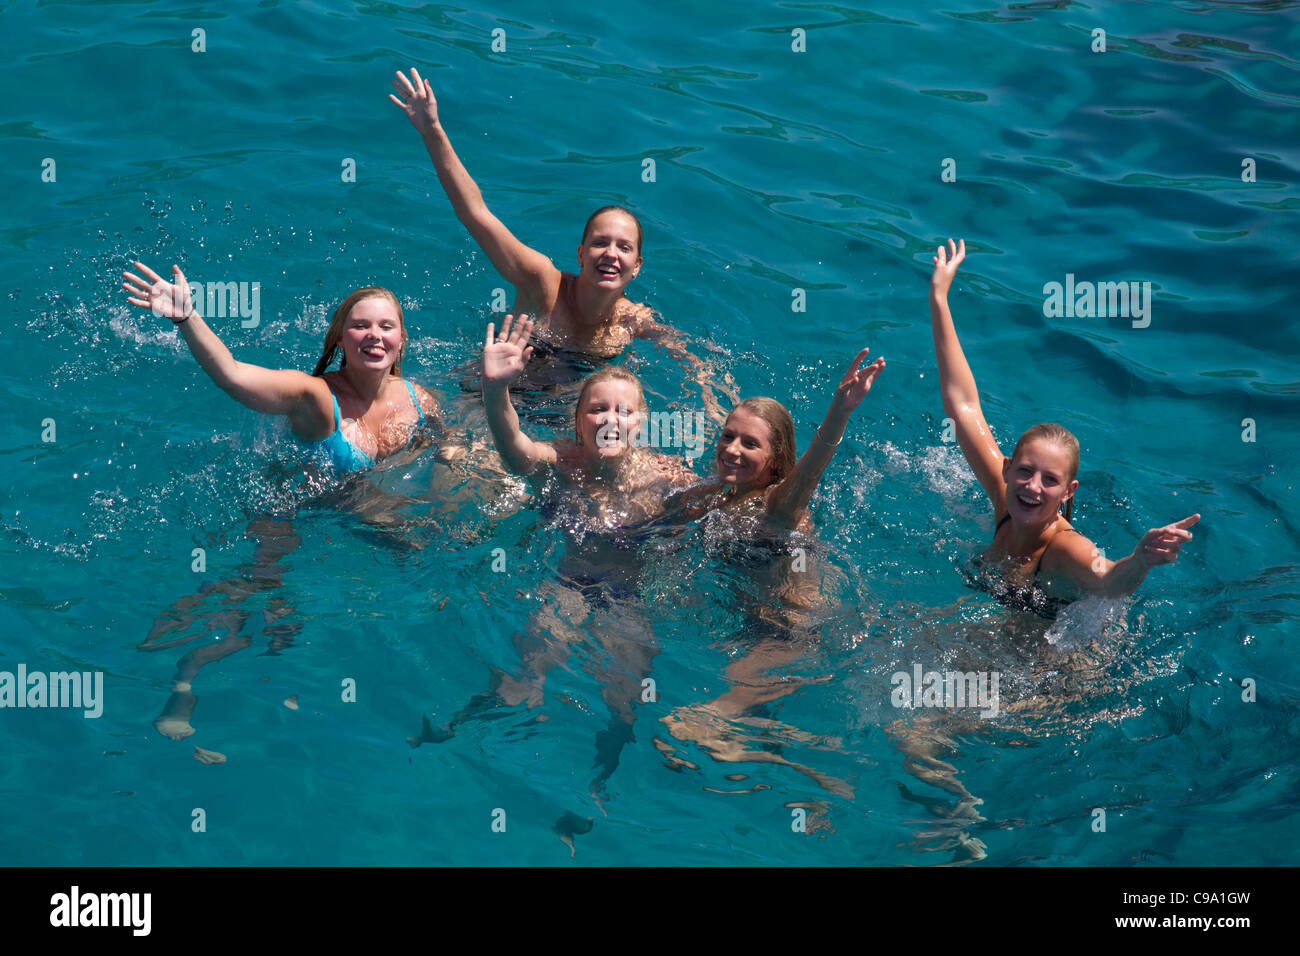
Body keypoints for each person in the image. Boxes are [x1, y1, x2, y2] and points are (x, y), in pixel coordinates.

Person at [388, 68, 733, 421]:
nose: (611, 254)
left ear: (638, 265)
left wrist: (711, 397)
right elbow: (476, 214)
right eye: (600, 243)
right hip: (485, 402)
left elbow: (694, 360)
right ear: (581, 254)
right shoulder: (542, 283)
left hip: (556, 416)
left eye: (624, 248)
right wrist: (432, 131)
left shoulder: (634, 321)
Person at [653, 347, 886, 797]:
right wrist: (694, 366)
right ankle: (815, 778)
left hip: (789, 637)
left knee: (696, 717)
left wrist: (839, 411)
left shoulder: (778, 505)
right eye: (727, 437)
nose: (731, 450)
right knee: (743, 735)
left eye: (749, 444)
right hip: (751, 624)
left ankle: (828, 767)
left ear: (777, 463)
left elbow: (815, 464)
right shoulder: (718, 494)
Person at [928, 238, 1198, 616]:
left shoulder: (1063, 548)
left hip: (1065, 655)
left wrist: (1140, 561)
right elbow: (963, 404)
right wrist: (939, 297)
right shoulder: (1005, 496)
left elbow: (1106, 580)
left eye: (1050, 480)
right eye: (1024, 470)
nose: (1033, 486)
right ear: (1007, 469)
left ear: (1068, 492)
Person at [121, 262, 442, 470]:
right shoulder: (315, 396)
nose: (374, 334)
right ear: (340, 340)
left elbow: (447, 448)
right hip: (291, 513)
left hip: (366, 518)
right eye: (361, 326)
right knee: (260, 579)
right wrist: (186, 317)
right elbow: (232, 376)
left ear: (401, 341)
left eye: (386, 327)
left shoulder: (418, 402)